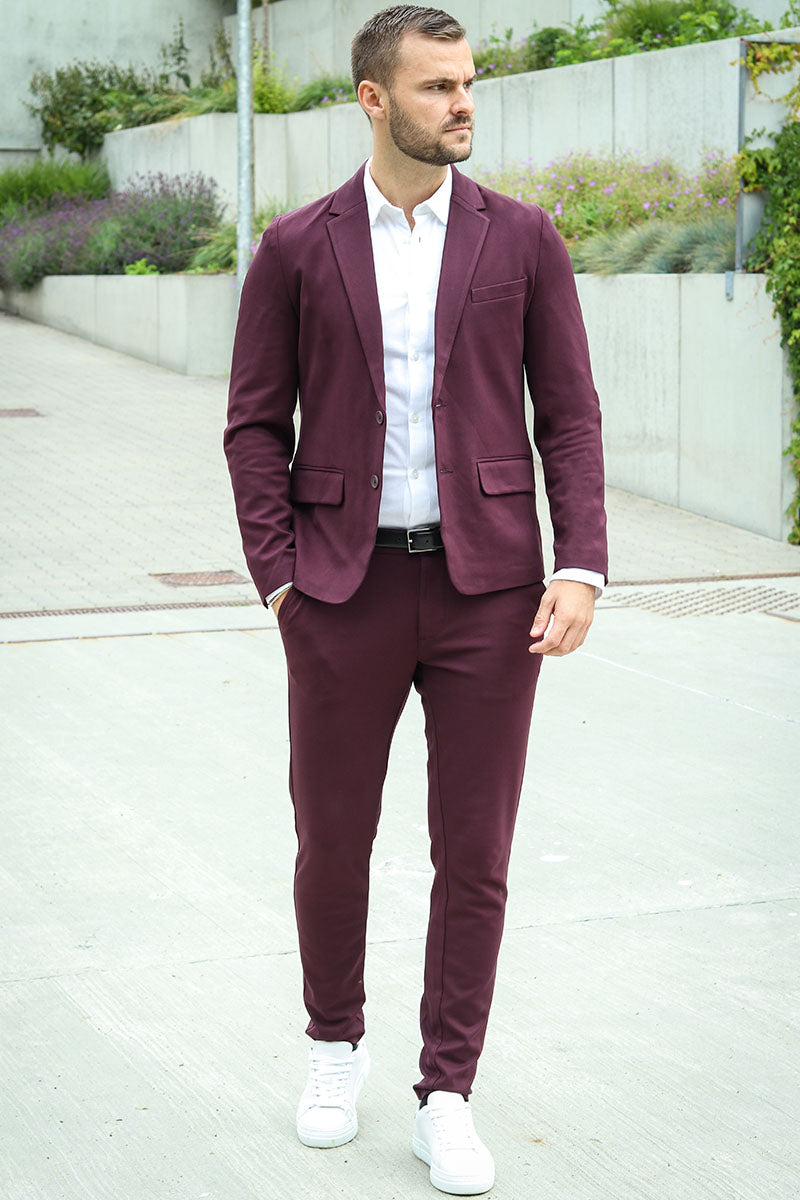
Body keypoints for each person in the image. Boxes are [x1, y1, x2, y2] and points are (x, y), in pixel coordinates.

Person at [224, 4, 607, 1194]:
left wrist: (580, 564)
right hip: (339, 590)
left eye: (468, 83)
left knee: (474, 853)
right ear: (373, 99)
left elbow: (569, 416)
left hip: (490, 591)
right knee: (332, 840)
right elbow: (252, 425)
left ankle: (448, 1092)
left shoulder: (520, 238)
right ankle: (331, 1046)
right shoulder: (297, 245)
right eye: (437, 86)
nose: (462, 104)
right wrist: (281, 581)